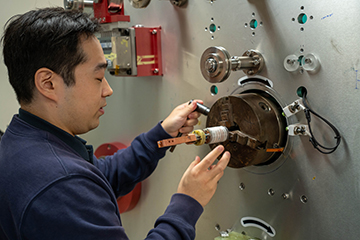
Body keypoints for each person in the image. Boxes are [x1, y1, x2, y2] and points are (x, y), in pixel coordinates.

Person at [0, 7, 230, 240]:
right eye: (98, 78)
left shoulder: (24, 142)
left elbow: (100, 176)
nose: (108, 90)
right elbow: (76, 184)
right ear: (48, 84)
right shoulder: (59, 184)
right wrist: (187, 203)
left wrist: (160, 135)